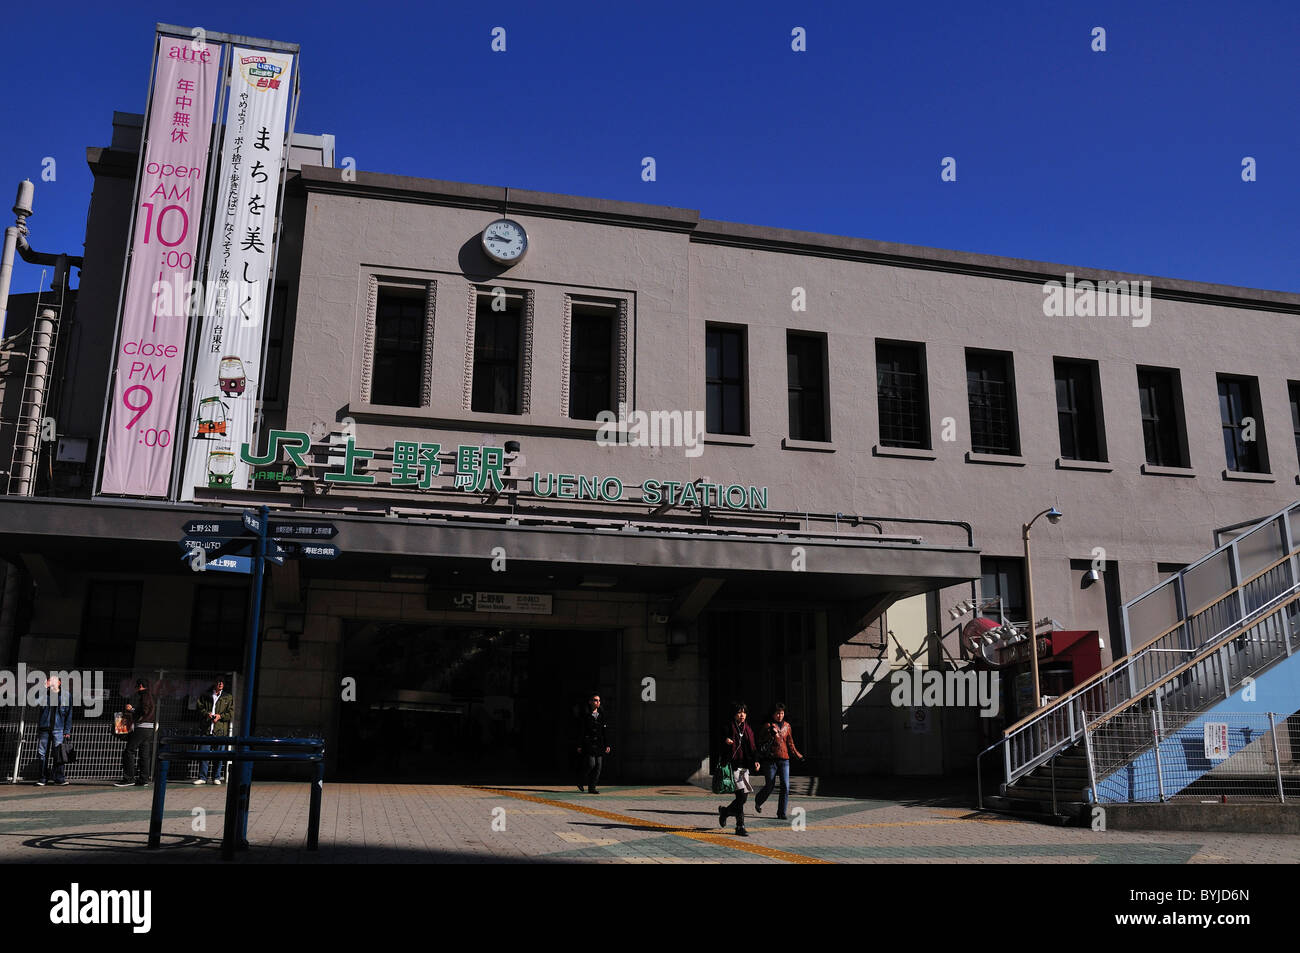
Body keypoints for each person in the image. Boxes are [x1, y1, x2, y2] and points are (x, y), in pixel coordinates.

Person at [754, 702, 804, 820]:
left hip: (784, 759)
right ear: (773, 714)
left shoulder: (787, 726)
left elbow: (790, 743)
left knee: (785, 786)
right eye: (777, 713)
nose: (780, 716)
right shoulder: (767, 726)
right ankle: (758, 800)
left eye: (782, 713)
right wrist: (769, 734)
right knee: (770, 785)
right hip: (770, 760)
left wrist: (798, 755)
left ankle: (781, 812)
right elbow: (760, 742)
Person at [717, 702, 759, 836]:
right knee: (740, 795)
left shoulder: (748, 729)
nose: (742, 715)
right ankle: (740, 826)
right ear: (734, 714)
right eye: (739, 712)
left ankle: (725, 811)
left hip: (744, 767)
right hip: (732, 766)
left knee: (744, 797)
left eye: (744, 712)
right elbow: (718, 740)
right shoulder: (728, 726)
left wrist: (756, 760)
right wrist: (725, 741)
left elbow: (753, 747)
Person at [116, 678, 156, 787]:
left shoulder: (144, 696)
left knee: (129, 751)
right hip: (149, 728)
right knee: (144, 754)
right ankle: (143, 779)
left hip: (142, 727)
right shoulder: (150, 696)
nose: (135, 689)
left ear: (141, 686)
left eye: (136, 686)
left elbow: (144, 710)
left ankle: (129, 778)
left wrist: (132, 709)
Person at [193, 678, 233, 785]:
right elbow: (199, 707)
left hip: (220, 730)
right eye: (219, 682)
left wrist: (220, 716)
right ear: (214, 683)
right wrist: (207, 714)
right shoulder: (205, 695)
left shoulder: (228, 697)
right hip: (206, 729)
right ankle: (202, 777)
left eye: (222, 682)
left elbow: (230, 713)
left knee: (219, 755)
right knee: (203, 754)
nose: (220, 684)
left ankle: (216, 777)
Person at [35, 675, 72, 786]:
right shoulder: (44, 694)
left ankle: (59, 778)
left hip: (58, 729)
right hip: (44, 729)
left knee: (59, 754)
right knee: (42, 753)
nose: (51, 682)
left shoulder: (66, 695)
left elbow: (69, 714)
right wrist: (43, 687)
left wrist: (67, 730)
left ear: (59, 683)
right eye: (49, 680)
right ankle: (42, 778)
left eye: (53, 680)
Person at [575, 693, 611, 794]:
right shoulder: (585, 715)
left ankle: (592, 787)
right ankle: (580, 780)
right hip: (589, 743)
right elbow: (581, 731)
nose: (597, 702)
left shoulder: (601, 715)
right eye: (595, 700)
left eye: (599, 700)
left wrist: (607, 744)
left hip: (599, 744)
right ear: (590, 702)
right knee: (591, 764)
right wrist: (579, 744)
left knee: (598, 766)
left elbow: (605, 731)